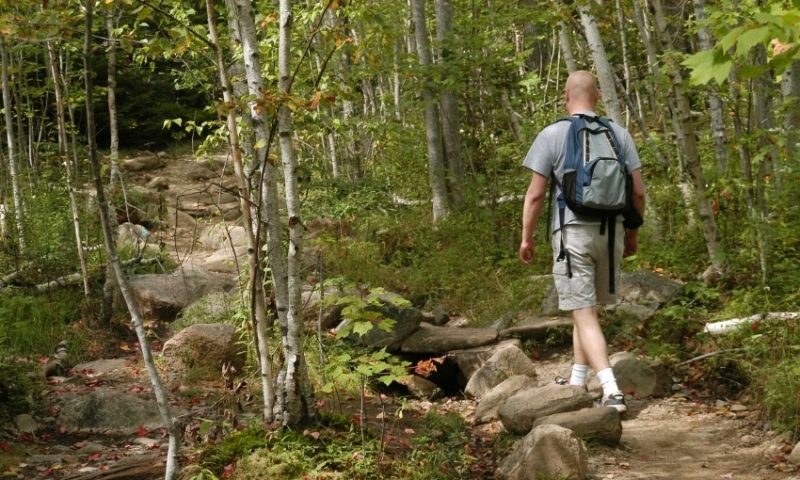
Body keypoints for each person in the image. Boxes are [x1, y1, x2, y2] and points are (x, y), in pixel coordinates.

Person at [518, 70, 646, 413]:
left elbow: (535, 196)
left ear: (565, 96)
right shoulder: (619, 135)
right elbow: (637, 193)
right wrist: (631, 236)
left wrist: (527, 238)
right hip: (612, 234)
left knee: (583, 312)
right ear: (598, 96)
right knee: (585, 309)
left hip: (572, 234)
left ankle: (610, 389)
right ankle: (577, 382)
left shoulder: (553, 134)